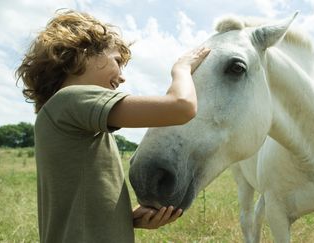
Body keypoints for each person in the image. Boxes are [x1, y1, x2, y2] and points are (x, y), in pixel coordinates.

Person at [16, 9, 210, 243]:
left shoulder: (61, 114)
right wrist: (182, 68)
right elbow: (182, 106)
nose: (122, 77)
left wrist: (127, 219)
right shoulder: (71, 100)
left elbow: (77, 206)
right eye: (117, 60)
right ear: (83, 52)